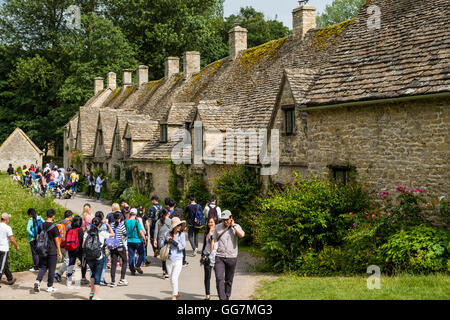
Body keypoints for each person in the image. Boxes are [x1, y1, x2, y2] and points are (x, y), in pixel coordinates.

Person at [211, 210, 245, 300]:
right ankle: (222, 299)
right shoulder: (217, 227)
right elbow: (213, 240)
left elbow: (242, 235)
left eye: (226, 219)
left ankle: (227, 296)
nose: (225, 221)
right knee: (219, 278)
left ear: (231, 218)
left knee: (229, 280)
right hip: (219, 256)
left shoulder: (236, 226)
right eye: (223, 220)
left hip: (232, 257)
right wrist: (211, 254)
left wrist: (233, 226)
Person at [82, 217, 114, 300]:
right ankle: (95, 297)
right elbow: (112, 234)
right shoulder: (102, 233)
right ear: (100, 224)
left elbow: (83, 245)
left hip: (89, 257)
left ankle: (91, 293)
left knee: (93, 274)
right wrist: (107, 225)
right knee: (97, 276)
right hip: (99, 257)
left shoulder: (87, 233)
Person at [34, 209, 63, 293]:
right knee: (52, 269)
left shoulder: (41, 225)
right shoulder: (54, 227)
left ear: (47, 215)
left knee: (43, 267)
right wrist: (60, 252)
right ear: (53, 216)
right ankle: (49, 286)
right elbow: (57, 241)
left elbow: (37, 238)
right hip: (52, 251)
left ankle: (38, 281)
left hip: (42, 250)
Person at [161, 217, 186, 300]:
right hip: (169, 259)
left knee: (174, 278)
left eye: (180, 225)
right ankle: (176, 292)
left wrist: (174, 242)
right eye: (177, 225)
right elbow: (161, 245)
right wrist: (166, 241)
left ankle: (174, 296)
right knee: (171, 279)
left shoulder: (181, 235)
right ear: (173, 226)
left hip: (178, 259)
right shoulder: (167, 234)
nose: (179, 226)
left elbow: (182, 246)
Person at [65, 216, 88, 286]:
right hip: (79, 249)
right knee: (83, 263)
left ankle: (69, 279)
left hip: (70, 248)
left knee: (71, 263)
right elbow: (81, 241)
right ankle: (83, 278)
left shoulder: (69, 229)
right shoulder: (80, 230)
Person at [109, 212, 128, 287]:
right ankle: (122, 279)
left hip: (113, 247)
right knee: (125, 261)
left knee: (113, 264)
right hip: (120, 246)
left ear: (114, 218)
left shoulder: (111, 225)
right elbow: (125, 234)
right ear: (120, 218)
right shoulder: (121, 226)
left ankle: (113, 281)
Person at [125, 208, 146, 276]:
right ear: (136, 214)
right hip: (138, 241)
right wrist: (144, 238)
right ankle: (137, 265)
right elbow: (140, 231)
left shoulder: (126, 221)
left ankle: (132, 270)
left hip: (129, 240)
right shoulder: (137, 221)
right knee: (142, 254)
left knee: (131, 256)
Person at [0, 213, 19, 287]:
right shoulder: (7, 228)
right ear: (6, 219)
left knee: (4, 264)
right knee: (1, 267)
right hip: (3, 249)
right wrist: (17, 246)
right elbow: (12, 239)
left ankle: (10, 278)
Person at [200, 217, 217, 300]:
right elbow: (205, 244)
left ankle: (221, 291)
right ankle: (207, 295)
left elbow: (213, 244)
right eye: (209, 222)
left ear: (215, 223)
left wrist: (211, 233)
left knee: (218, 275)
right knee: (207, 276)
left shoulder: (217, 232)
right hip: (206, 256)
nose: (210, 224)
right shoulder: (206, 232)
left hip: (215, 256)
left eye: (212, 222)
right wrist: (202, 255)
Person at [54, 210, 73, 283]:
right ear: (70, 216)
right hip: (66, 244)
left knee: (67, 260)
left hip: (59, 243)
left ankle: (70, 273)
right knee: (68, 260)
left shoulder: (60, 222)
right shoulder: (69, 224)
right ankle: (59, 273)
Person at [168, 199, 188, 266]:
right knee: (182, 246)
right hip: (180, 231)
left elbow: (171, 220)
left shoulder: (173, 214)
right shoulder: (181, 214)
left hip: (174, 230)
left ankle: (172, 257)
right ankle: (183, 260)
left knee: (173, 244)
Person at [154, 208, 171, 279]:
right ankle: (167, 272)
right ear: (168, 213)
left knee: (163, 255)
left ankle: (164, 270)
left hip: (160, 240)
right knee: (167, 256)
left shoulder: (158, 221)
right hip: (168, 240)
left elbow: (156, 231)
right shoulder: (170, 221)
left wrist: (154, 240)